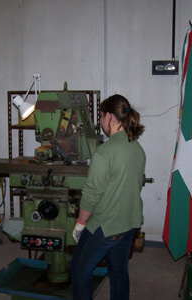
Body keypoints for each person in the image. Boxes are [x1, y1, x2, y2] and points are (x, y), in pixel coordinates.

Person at [70, 94, 146, 300]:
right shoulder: (137, 148)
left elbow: (92, 194)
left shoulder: (104, 152)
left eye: (101, 116)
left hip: (107, 225)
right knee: (118, 272)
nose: (101, 122)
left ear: (109, 116)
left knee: (78, 269)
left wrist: (80, 223)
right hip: (130, 221)